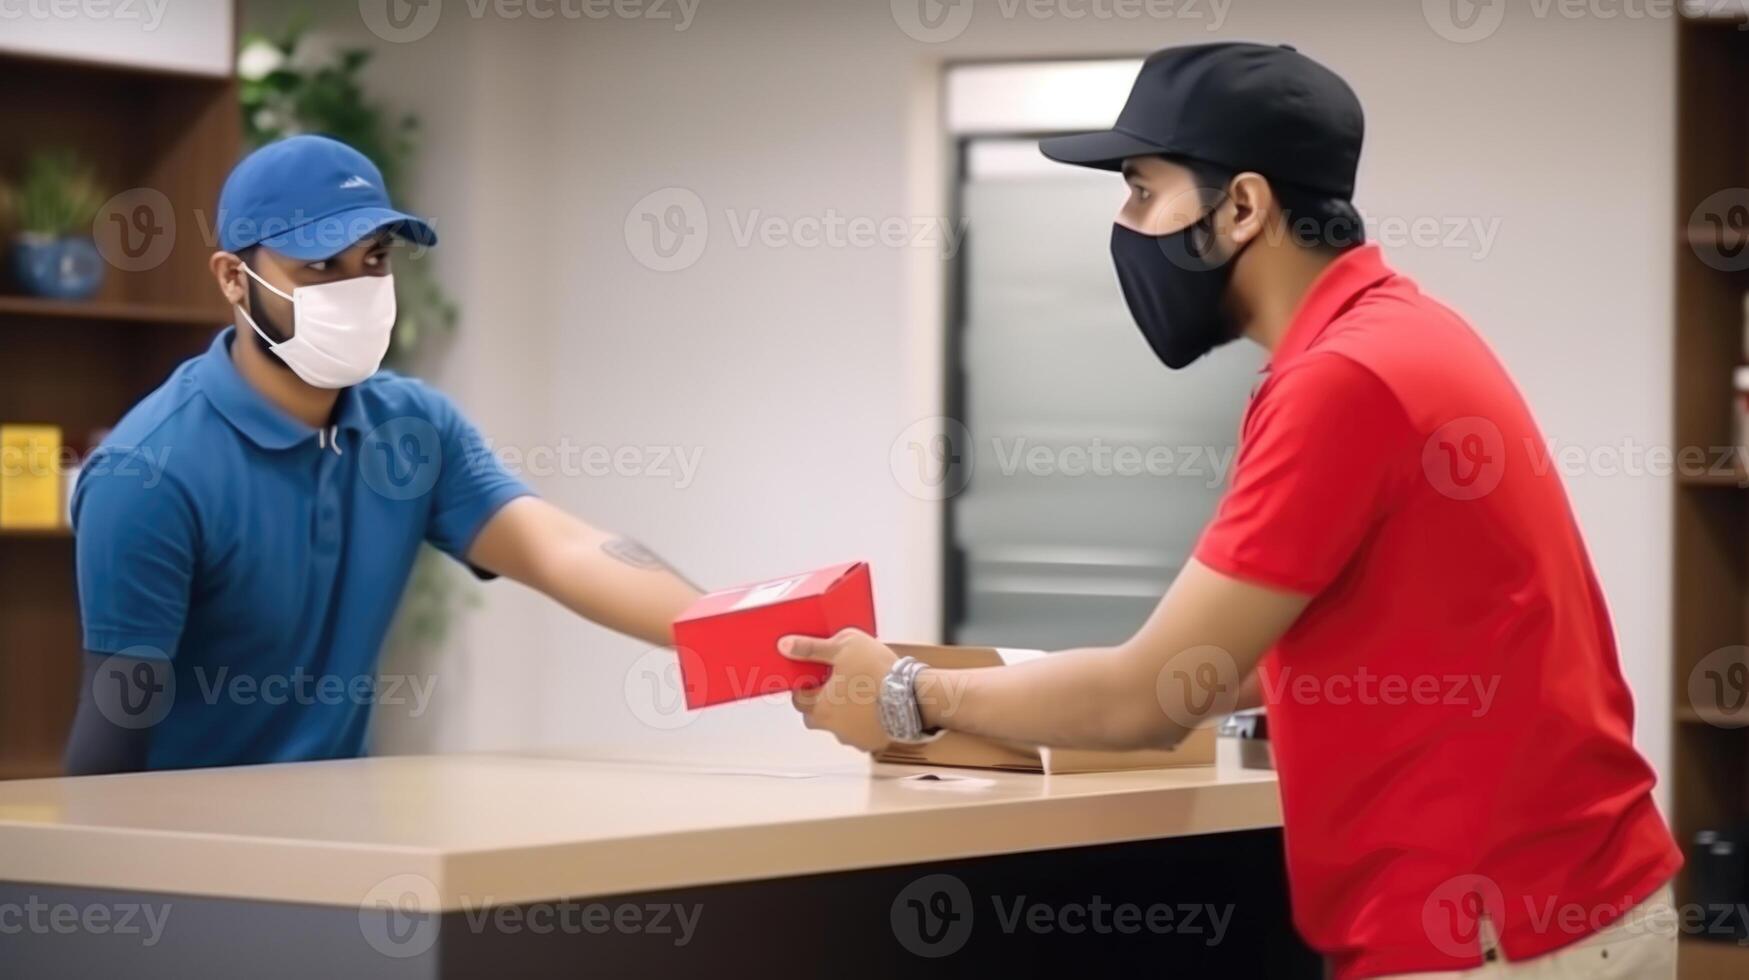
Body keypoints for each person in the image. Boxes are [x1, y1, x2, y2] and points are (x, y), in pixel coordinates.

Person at [783, 43, 1681, 979]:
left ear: (1243, 206)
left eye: (1139, 189)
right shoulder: (1390, 337)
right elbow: (1237, 671)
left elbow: (1155, 694)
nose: (1125, 224)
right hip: (1557, 913)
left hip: (1499, 936)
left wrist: (908, 693)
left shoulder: (1343, 380)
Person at [65, 135, 700, 774]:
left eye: (374, 260)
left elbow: (562, 550)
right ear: (235, 278)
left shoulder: (411, 428)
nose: (357, 289)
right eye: (319, 266)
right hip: (189, 851)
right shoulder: (150, 473)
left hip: (346, 836)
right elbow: (115, 727)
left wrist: (759, 641)